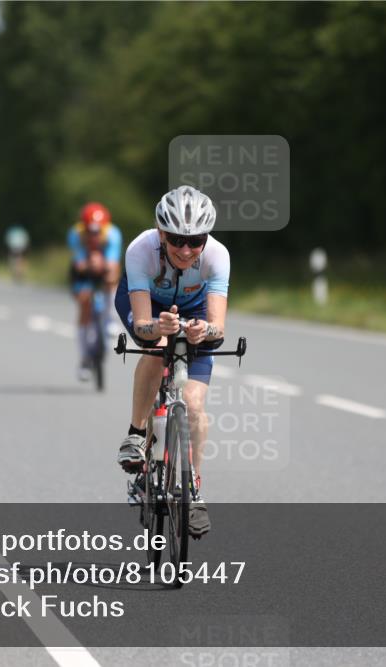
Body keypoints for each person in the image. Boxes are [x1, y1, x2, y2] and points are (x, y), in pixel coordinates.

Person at [114, 186, 230, 538]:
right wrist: (156, 328)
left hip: (195, 314)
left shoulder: (217, 256)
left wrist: (203, 331)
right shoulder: (140, 251)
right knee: (156, 344)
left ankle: (192, 490)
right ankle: (137, 434)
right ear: (161, 233)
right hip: (148, 306)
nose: (185, 249)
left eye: (195, 240)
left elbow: (218, 328)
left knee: (193, 402)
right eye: (177, 239)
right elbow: (144, 324)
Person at [67, 202, 122, 381]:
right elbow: (80, 265)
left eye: (97, 232)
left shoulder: (113, 235)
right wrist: (90, 264)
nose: (93, 236)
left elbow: (112, 264)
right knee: (84, 304)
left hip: (104, 267)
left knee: (112, 277)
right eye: (89, 232)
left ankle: (110, 320)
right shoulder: (75, 235)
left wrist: (103, 265)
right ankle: (84, 359)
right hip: (84, 271)